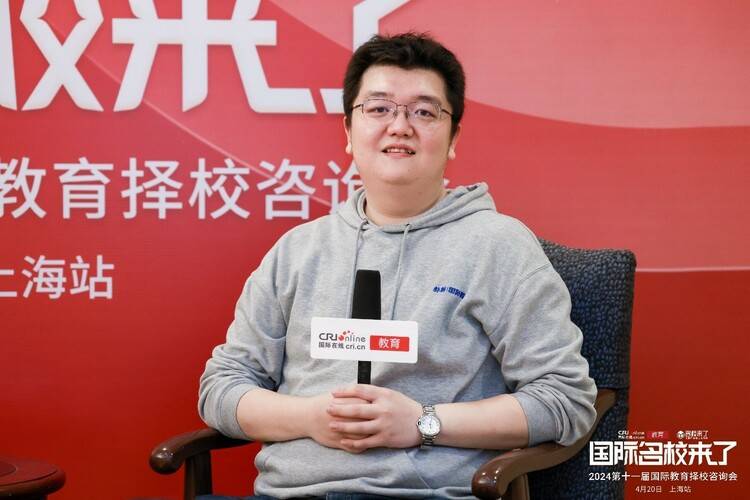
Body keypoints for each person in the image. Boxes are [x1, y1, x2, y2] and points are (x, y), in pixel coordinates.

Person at [198, 33, 596, 499]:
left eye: (424, 112)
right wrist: (310, 417)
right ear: (348, 132)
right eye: (379, 108)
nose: (400, 126)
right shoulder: (297, 251)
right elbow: (221, 387)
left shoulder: (497, 245)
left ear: (453, 138)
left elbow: (565, 400)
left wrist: (423, 422)